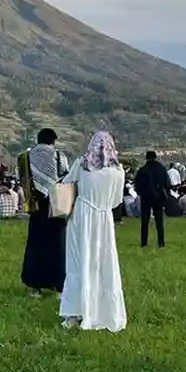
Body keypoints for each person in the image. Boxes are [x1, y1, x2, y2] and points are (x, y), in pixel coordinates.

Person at [59, 131, 127, 332]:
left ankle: (75, 312)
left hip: (81, 216)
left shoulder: (82, 165)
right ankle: (103, 311)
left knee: (77, 262)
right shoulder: (118, 171)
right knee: (103, 262)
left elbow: (66, 183)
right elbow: (116, 201)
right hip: (103, 219)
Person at [20, 128, 69, 297]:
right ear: (53, 141)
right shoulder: (59, 156)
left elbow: (22, 177)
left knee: (36, 243)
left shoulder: (26, 156)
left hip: (35, 203)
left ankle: (35, 285)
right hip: (56, 203)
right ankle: (58, 285)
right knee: (58, 244)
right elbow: (66, 177)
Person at [134, 150, 170, 248]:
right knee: (159, 221)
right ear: (156, 157)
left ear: (146, 158)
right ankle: (161, 243)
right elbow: (167, 183)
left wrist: (141, 192)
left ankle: (144, 243)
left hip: (145, 197)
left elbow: (137, 185)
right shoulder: (162, 169)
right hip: (158, 197)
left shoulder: (143, 170)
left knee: (145, 221)